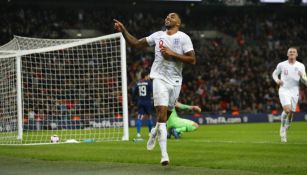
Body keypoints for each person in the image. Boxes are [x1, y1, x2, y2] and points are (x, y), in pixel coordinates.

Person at [114, 12, 196, 166]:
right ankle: (164, 155)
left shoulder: (184, 38)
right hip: (159, 78)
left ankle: (154, 132)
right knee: (162, 116)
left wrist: (172, 54)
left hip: (176, 81)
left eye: (172, 17)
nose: (168, 18)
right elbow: (136, 43)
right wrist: (124, 30)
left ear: (178, 22)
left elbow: (192, 59)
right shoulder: (158, 35)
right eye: (166, 16)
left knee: (164, 117)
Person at [272, 47, 307, 143]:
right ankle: (282, 129)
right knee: (287, 110)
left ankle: (289, 122)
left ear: (297, 55)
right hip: (284, 89)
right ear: (287, 54)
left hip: (295, 90)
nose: (292, 53)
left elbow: (306, 81)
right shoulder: (281, 65)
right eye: (290, 52)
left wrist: (302, 77)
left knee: (291, 112)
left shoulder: (301, 66)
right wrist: (277, 80)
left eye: (293, 52)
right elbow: (274, 74)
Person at [132, 71, 153, 138]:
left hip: (140, 101)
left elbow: (134, 94)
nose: (149, 76)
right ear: (145, 76)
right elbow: (152, 91)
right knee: (149, 116)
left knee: (139, 117)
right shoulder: (149, 83)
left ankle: (138, 133)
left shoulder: (138, 83)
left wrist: (135, 100)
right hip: (147, 102)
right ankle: (150, 133)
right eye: (148, 75)